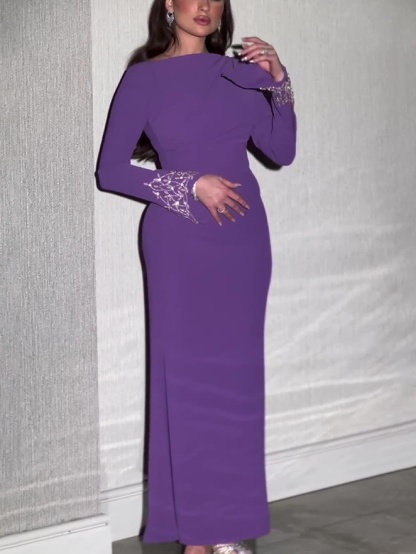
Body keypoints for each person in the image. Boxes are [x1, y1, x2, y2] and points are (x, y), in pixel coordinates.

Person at [95, 0, 296, 552]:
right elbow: (110, 170)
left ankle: (224, 527)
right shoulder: (144, 78)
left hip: (242, 242)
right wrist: (189, 185)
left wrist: (279, 82)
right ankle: (196, 537)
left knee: (235, 385)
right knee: (186, 385)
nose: (204, 5)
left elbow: (282, 151)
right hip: (179, 243)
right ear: (169, 5)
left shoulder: (240, 73)